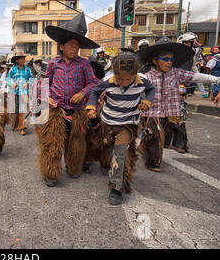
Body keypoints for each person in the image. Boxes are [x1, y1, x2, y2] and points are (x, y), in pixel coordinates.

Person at [136, 36, 220, 172]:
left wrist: (217, 80)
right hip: (151, 112)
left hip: (170, 112)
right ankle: (153, 161)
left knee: (154, 135)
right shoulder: (146, 76)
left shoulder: (176, 73)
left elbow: (196, 77)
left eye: (171, 59)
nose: (169, 62)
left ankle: (142, 147)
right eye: (165, 59)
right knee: (157, 136)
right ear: (155, 61)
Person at [36, 12, 99, 187]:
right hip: (57, 111)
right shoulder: (53, 63)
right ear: (62, 47)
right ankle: (50, 173)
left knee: (75, 144)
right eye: (71, 45)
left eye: (77, 46)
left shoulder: (84, 64)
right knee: (52, 144)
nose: (74, 49)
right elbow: (44, 83)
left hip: (77, 111)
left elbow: (94, 82)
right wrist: (47, 97)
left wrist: (83, 93)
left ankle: (73, 167)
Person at [86, 53, 155, 205]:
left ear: (136, 74)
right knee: (108, 149)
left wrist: (147, 102)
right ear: (113, 72)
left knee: (121, 153)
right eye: (120, 79)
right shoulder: (107, 81)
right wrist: (91, 107)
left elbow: (151, 90)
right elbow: (94, 92)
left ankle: (116, 188)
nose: (124, 82)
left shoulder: (143, 80)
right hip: (108, 123)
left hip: (128, 124)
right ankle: (107, 165)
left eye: (128, 79)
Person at [7, 53, 32, 136]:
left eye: (23, 58)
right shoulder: (13, 69)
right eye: (21, 58)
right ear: (17, 60)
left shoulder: (27, 69)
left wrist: (27, 83)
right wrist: (12, 84)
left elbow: (31, 78)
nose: (23, 60)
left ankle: (22, 127)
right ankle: (15, 124)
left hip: (24, 93)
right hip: (15, 92)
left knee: (23, 110)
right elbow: (8, 78)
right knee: (16, 110)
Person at [177, 32, 209, 98]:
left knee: (182, 98)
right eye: (186, 42)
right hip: (176, 79)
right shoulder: (176, 53)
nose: (188, 44)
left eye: (190, 43)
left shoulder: (191, 53)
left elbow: (193, 65)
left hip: (185, 80)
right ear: (181, 42)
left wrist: (197, 74)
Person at [164, 85, 189, 154]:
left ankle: (180, 145)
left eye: (183, 95)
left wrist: (183, 118)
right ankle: (164, 142)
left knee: (181, 130)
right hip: (170, 117)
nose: (181, 96)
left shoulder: (183, 102)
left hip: (179, 118)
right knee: (167, 130)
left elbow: (184, 111)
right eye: (179, 94)